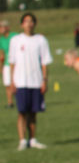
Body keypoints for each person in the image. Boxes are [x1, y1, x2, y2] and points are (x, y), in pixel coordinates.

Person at [8, 12, 52, 149]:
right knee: (21, 112)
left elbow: (45, 62)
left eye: (31, 21)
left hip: (36, 81)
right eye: (26, 21)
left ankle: (32, 139)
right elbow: (12, 62)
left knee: (33, 112)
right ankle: (22, 140)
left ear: (35, 24)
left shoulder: (41, 40)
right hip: (20, 81)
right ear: (22, 24)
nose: (29, 24)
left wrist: (44, 80)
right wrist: (12, 81)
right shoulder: (15, 40)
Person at [0, 17, 13, 109]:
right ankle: (10, 102)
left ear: (7, 27)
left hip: (16, 64)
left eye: (1, 27)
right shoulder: (1, 39)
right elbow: (2, 54)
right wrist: (1, 67)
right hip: (7, 65)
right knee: (7, 84)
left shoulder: (14, 36)